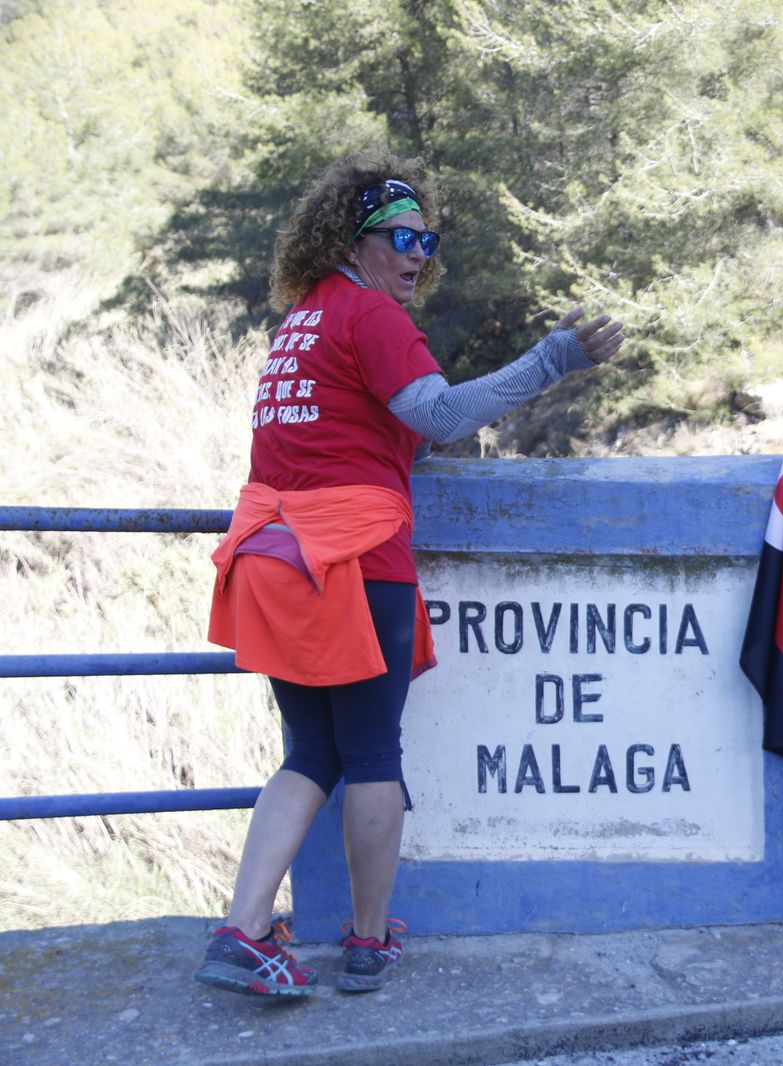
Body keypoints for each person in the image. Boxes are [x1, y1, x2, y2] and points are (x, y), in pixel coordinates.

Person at [196, 152, 624, 996]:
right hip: (354, 560)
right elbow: (434, 415)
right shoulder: (373, 318)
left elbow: (370, 429)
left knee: (310, 751)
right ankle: (366, 941)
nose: (419, 254)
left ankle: (242, 930)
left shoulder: (303, 321)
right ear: (354, 243)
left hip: (273, 556)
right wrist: (554, 360)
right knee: (371, 753)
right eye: (401, 237)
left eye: (428, 240)